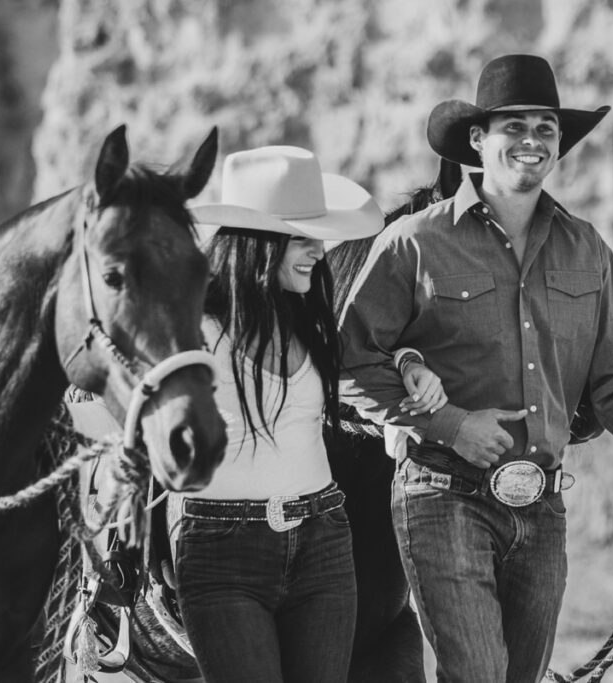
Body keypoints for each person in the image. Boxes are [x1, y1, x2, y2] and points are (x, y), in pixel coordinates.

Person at [338, 54, 613, 682]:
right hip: (440, 496)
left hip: (542, 507)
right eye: (514, 127)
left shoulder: (586, 249)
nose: (531, 142)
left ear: (559, 142)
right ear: (478, 141)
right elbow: (352, 364)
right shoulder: (413, 243)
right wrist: (451, 425)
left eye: (545, 128)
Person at [169, 145, 444, 683]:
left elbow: (370, 350)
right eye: (302, 237)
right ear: (258, 243)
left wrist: (409, 364)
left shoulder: (312, 322)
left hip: (323, 541)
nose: (319, 251)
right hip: (222, 550)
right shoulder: (191, 330)